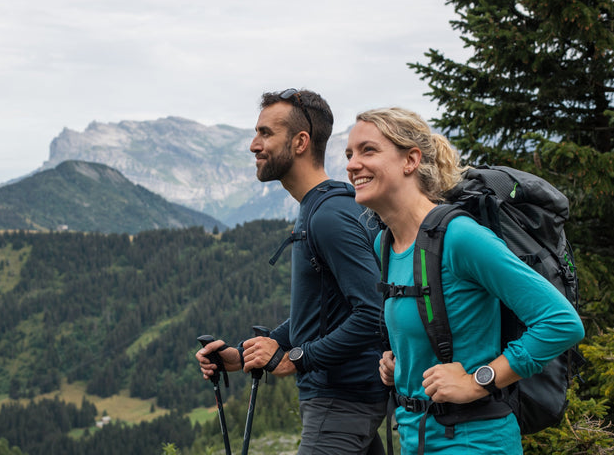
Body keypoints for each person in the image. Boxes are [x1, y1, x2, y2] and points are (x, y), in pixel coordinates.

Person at [344, 107, 585, 454]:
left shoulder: (459, 236)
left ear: (410, 160)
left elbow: (561, 322)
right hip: (416, 437)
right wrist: (400, 363)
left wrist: (478, 381)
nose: (352, 164)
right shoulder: (385, 243)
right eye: (350, 154)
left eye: (368, 151)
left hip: (476, 441)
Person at [196, 88, 388, 454]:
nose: (254, 145)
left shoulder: (329, 216)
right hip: (346, 401)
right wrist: (243, 355)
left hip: (339, 402)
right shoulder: (325, 207)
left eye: (266, 133)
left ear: (301, 142)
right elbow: (324, 312)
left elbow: (374, 312)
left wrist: (297, 359)